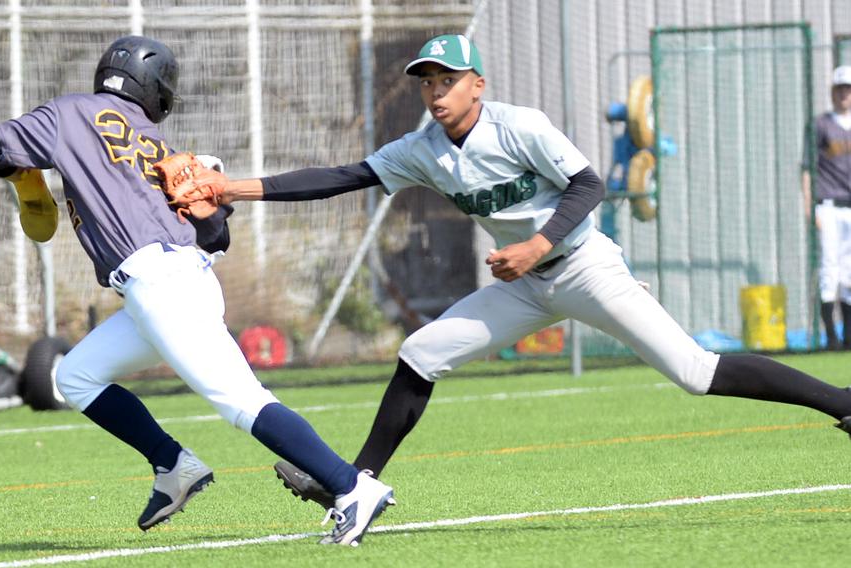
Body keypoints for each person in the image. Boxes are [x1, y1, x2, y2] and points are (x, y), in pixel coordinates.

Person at [189, 34, 851, 510]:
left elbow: (587, 186)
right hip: (524, 286)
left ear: (478, 83)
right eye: (426, 81)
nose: (435, 91)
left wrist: (537, 244)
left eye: (447, 79)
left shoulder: (519, 127)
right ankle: (356, 485)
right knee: (420, 353)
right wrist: (234, 189)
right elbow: (346, 176)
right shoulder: (422, 150)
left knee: (694, 373)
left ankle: (844, 405)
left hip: (585, 265)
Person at [0, 35, 394, 546]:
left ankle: (352, 489)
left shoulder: (70, 111)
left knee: (241, 401)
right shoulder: (159, 147)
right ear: (157, 93)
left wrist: (26, 179)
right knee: (78, 376)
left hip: (161, 284)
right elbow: (217, 233)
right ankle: (174, 466)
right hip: (171, 282)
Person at [803, 65, 851, 351]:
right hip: (829, 205)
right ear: (832, 92)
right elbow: (807, 168)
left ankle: (848, 336)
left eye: (848, 89)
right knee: (829, 266)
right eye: (840, 89)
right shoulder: (822, 125)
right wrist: (809, 205)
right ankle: (830, 336)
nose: (844, 94)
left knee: (850, 271)